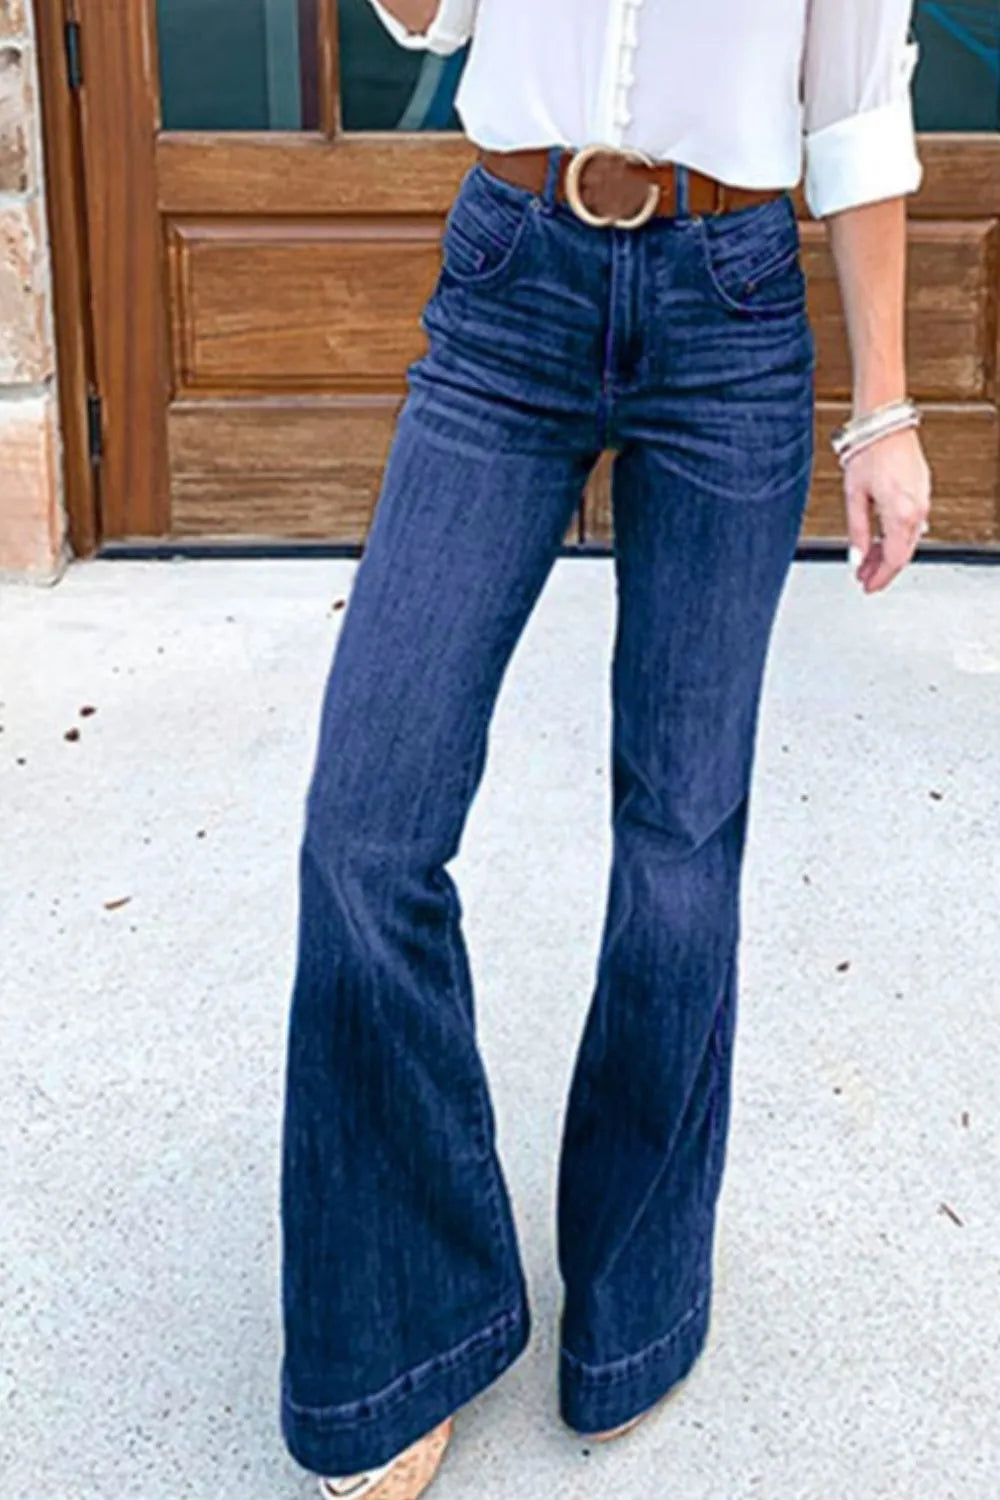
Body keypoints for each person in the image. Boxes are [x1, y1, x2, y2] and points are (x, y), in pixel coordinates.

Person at [278, 3, 933, 1496]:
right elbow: (430, 12)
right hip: (513, 274)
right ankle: (404, 1324)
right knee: (366, 827)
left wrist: (884, 409)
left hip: (731, 298)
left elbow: (854, 107)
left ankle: (634, 1315)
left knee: (680, 842)